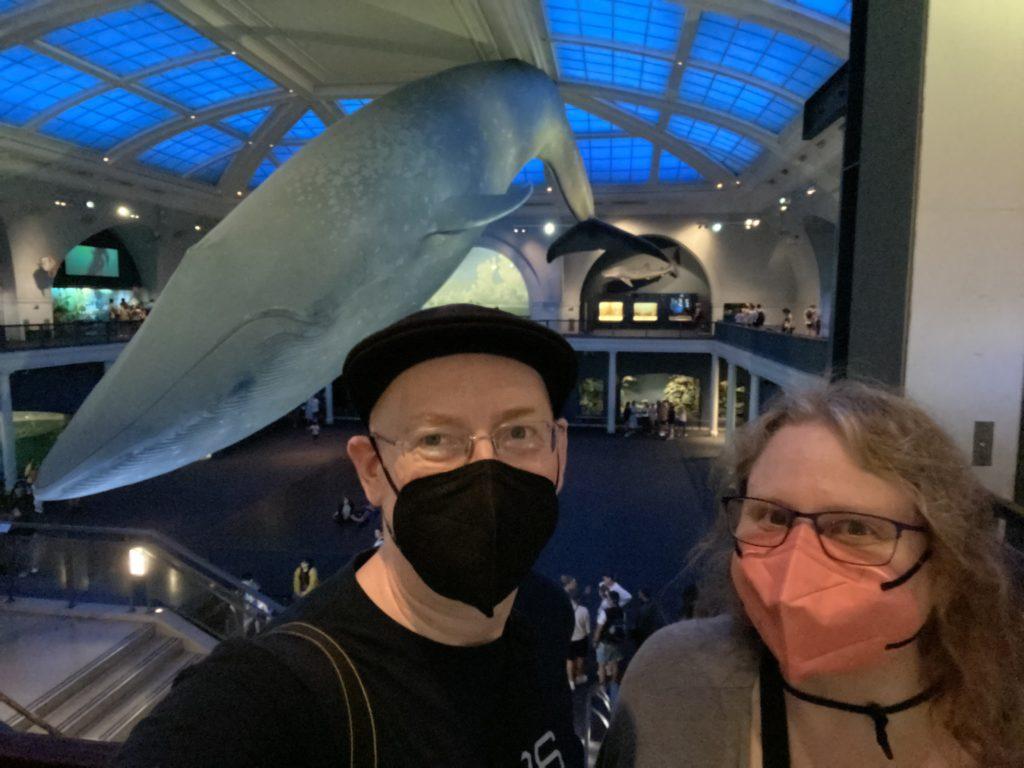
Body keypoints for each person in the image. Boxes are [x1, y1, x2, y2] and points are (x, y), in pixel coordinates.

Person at [115, 304, 584, 767]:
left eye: (518, 432)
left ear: (558, 450)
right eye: (435, 439)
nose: (487, 470)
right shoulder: (273, 696)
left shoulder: (543, 614)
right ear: (372, 470)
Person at [598, 382, 1024, 768]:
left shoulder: (1009, 718)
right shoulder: (674, 683)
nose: (794, 573)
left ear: (946, 558)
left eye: (855, 528)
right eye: (773, 516)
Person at [594, 590, 626, 694]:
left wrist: (595, 641)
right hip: (616, 642)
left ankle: (602, 685)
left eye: (608, 598)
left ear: (611, 600)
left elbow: (599, 628)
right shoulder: (622, 611)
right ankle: (613, 683)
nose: (606, 600)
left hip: (605, 642)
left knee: (601, 665)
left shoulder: (605, 612)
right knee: (614, 663)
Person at [567, 588, 591, 688]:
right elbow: (588, 629)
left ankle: (570, 681)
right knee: (580, 659)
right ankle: (579, 676)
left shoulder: (565, 609)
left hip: (569, 640)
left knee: (569, 661)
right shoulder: (584, 610)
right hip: (581, 639)